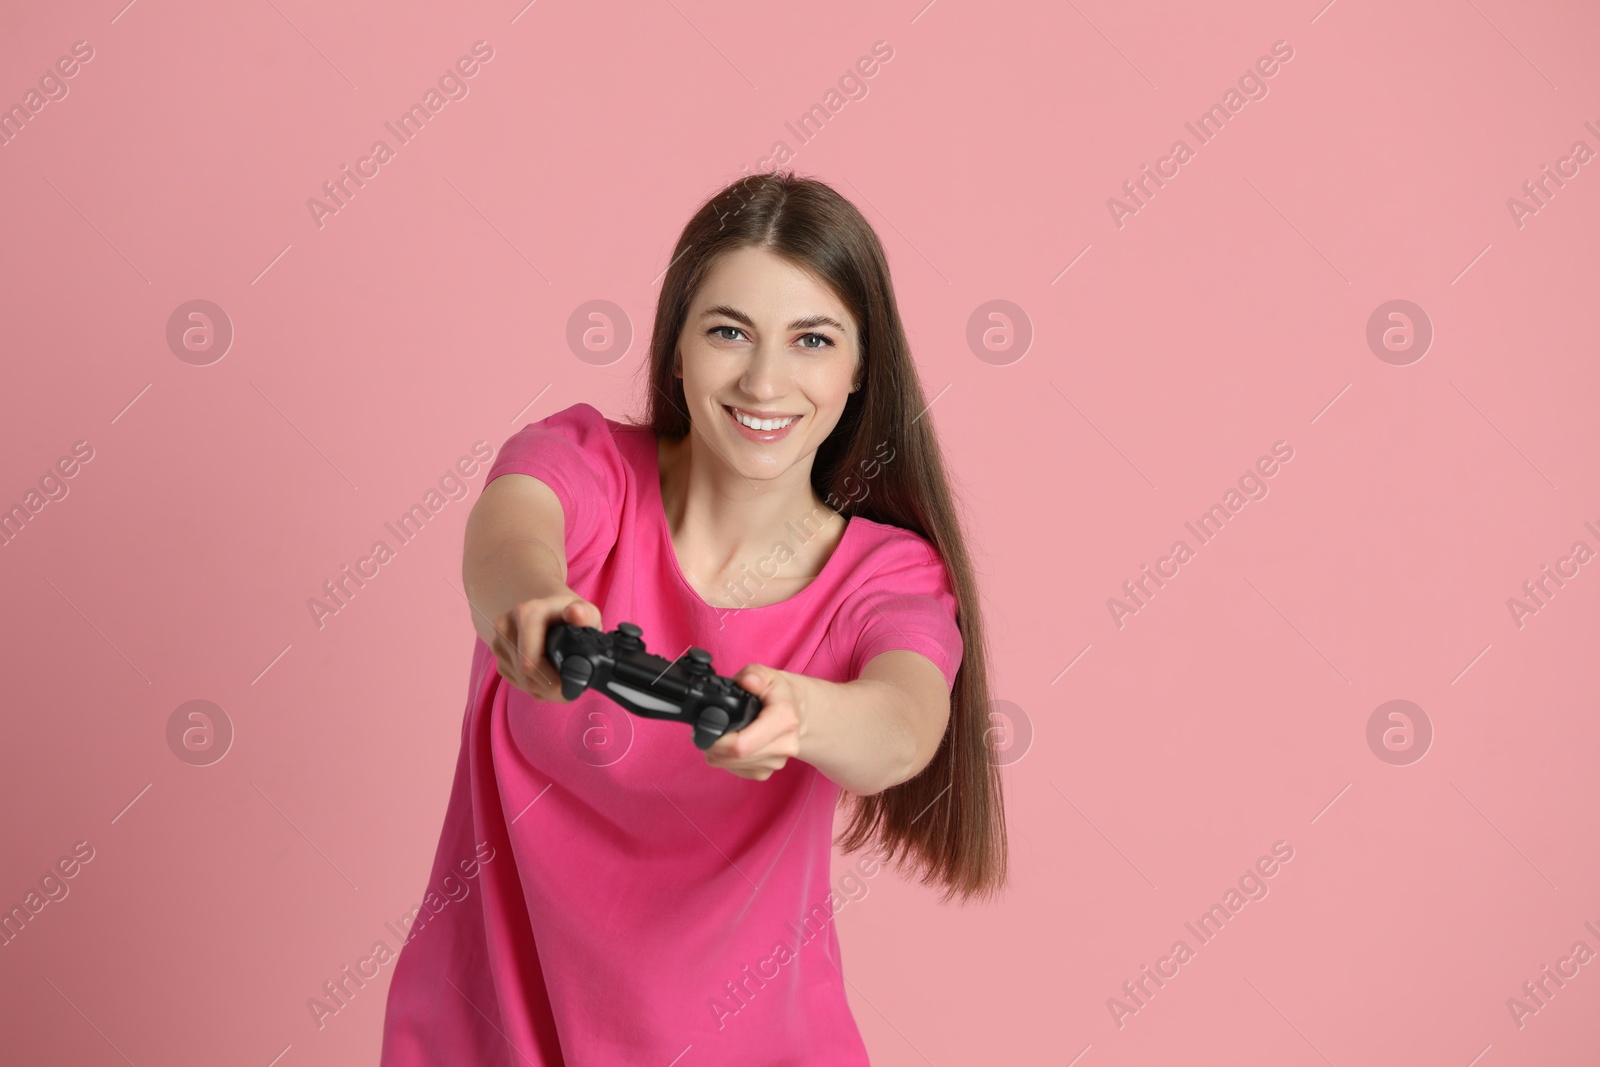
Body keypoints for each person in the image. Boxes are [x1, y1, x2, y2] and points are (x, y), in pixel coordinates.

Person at [379, 172, 1007, 1065]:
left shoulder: (887, 575)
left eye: (812, 340)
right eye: (728, 332)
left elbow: (903, 725)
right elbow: (510, 533)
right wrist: (530, 605)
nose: (764, 379)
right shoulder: (587, 464)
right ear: (676, 347)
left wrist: (803, 715)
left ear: (861, 366)